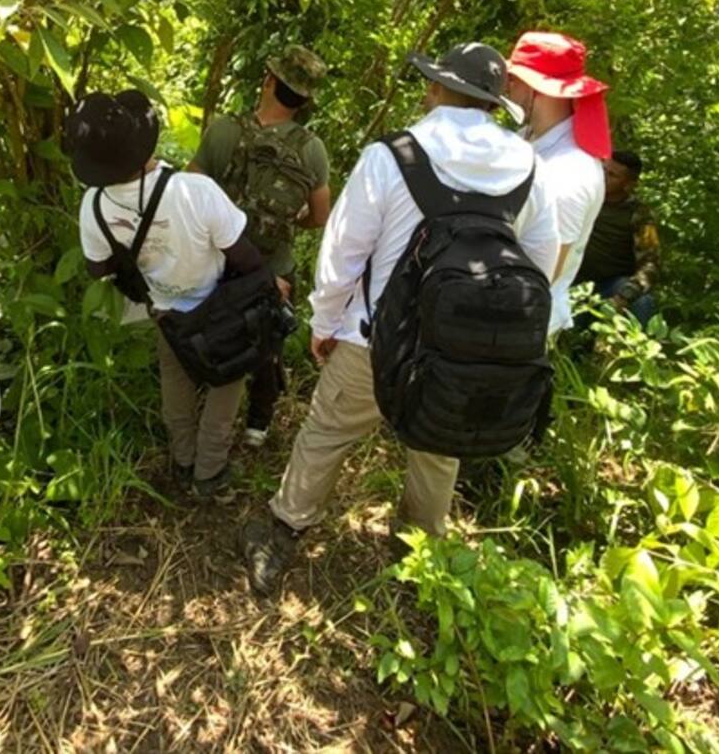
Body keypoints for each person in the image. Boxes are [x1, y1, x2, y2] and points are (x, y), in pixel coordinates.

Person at [240, 42, 560, 596]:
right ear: (489, 103)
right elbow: (543, 259)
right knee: (438, 448)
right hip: (460, 349)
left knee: (327, 431)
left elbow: (343, 252)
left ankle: (285, 528)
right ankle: (419, 552)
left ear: (436, 89)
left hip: (375, 338)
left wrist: (325, 323)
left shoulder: (393, 156)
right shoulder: (528, 164)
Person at [68, 90, 264, 498]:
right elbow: (242, 254)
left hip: (164, 311)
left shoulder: (95, 206)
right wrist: (268, 283)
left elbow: (97, 268)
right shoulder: (196, 190)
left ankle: (183, 460)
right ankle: (209, 473)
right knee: (225, 385)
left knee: (175, 385)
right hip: (218, 307)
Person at [190, 45, 331, 449]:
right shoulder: (311, 148)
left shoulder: (223, 130)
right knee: (266, 343)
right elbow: (320, 216)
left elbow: (191, 190)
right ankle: (257, 425)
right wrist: (290, 222)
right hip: (274, 266)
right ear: (304, 100)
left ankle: (209, 411)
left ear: (269, 81)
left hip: (220, 261)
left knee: (213, 332)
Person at [505, 31, 610, 335]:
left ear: (538, 88)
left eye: (515, 80)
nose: (508, 89)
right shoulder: (526, 140)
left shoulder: (570, 171)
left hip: (519, 326)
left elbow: (544, 273)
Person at [576, 148, 661, 326]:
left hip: (610, 285)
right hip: (569, 279)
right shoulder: (580, 196)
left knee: (642, 303)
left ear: (628, 184)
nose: (603, 177)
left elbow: (651, 263)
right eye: (603, 170)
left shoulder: (639, 214)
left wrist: (626, 295)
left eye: (612, 175)